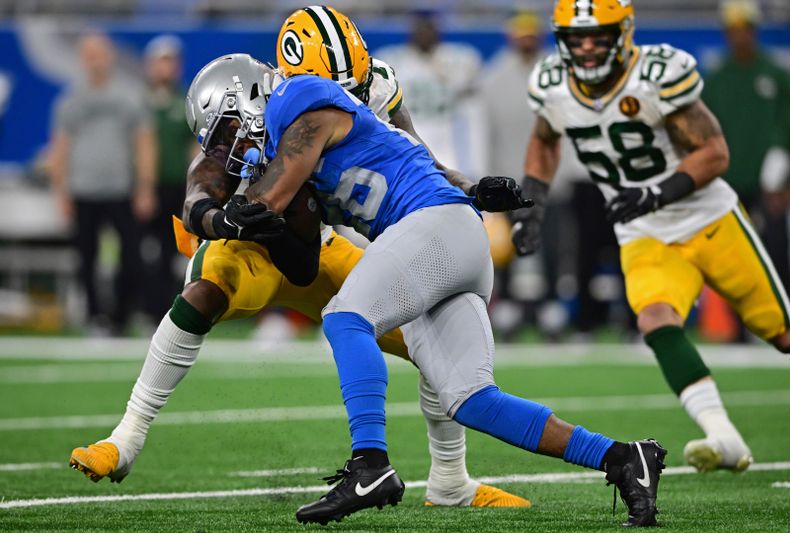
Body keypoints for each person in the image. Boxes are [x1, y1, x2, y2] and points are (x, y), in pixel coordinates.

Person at [68, 49, 531, 510]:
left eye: (230, 126)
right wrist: (221, 222)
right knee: (201, 294)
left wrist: (468, 188)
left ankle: (450, 481)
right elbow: (198, 194)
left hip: (320, 246)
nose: (228, 142)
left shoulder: (341, 102)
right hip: (249, 247)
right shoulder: (242, 138)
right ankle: (125, 438)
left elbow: (417, 160)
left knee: (430, 337)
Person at [238, 41, 666, 527]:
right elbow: (422, 170)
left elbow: (268, 197)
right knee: (470, 400)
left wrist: (227, 211)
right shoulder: (342, 129)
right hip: (451, 237)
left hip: (431, 226)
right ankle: (623, 458)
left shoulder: (301, 96)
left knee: (343, 318)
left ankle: (370, 465)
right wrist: (476, 187)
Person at [515, 0, 790, 475]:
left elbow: (714, 152)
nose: (586, 48)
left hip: (706, 218)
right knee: (654, 319)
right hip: (644, 230)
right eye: (576, 38)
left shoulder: (657, 73)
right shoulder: (552, 84)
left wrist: (657, 190)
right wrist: (534, 205)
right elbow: (545, 138)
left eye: (598, 36)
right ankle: (722, 435)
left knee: (785, 333)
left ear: (623, 33)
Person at [48, 32, 157, 335]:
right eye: (89, 54)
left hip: (121, 189)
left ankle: (122, 317)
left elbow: (144, 142)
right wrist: (61, 190)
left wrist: (145, 187)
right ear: (82, 59)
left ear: (109, 57)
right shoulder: (71, 99)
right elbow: (61, 146)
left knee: (133, 257)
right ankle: (97, 318)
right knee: (86, 259)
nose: (95, 60)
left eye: (99, 53)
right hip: (82, 190)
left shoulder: (129, 95)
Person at [704, 0, 790, 315]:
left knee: (776, 247)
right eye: (733, 30)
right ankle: (739, 324)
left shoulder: (775, 74)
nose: (739, 36)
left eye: (744, 29)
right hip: (729, 180)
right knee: (734, 256)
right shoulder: (719, 79)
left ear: (754, 31)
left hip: (770, 181)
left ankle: (782, 316)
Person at [377, 11, 487, 177]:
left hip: (448, 135)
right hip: (411, 131)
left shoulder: (460, 59)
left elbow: (473, 100)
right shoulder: (391, 59)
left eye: (429, 29)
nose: (424, 34)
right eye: (420, 30)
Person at [142, 34, 197, 319]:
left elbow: (194, 147)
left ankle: (170, 311)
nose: (166, 68)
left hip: (179, 188)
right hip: (147, 189)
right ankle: (144, 311)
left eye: (170, 62)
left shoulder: (185, 100)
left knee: (176, 251)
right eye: (161, 62)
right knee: (144, 252)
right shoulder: (140, 102)